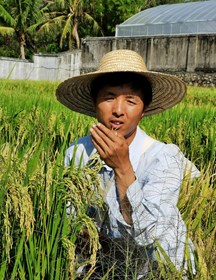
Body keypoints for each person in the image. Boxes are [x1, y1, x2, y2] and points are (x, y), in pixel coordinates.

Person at [56, 49, 200, 279]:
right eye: (109, 97)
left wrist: (122, 167)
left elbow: (148, 235)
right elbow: (69, 220)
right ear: (95, 104)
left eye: (131, 100)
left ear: (143, 111)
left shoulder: (163, 158)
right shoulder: (77, 152)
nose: (118, 111)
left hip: (154, 271)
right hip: (99, 266)